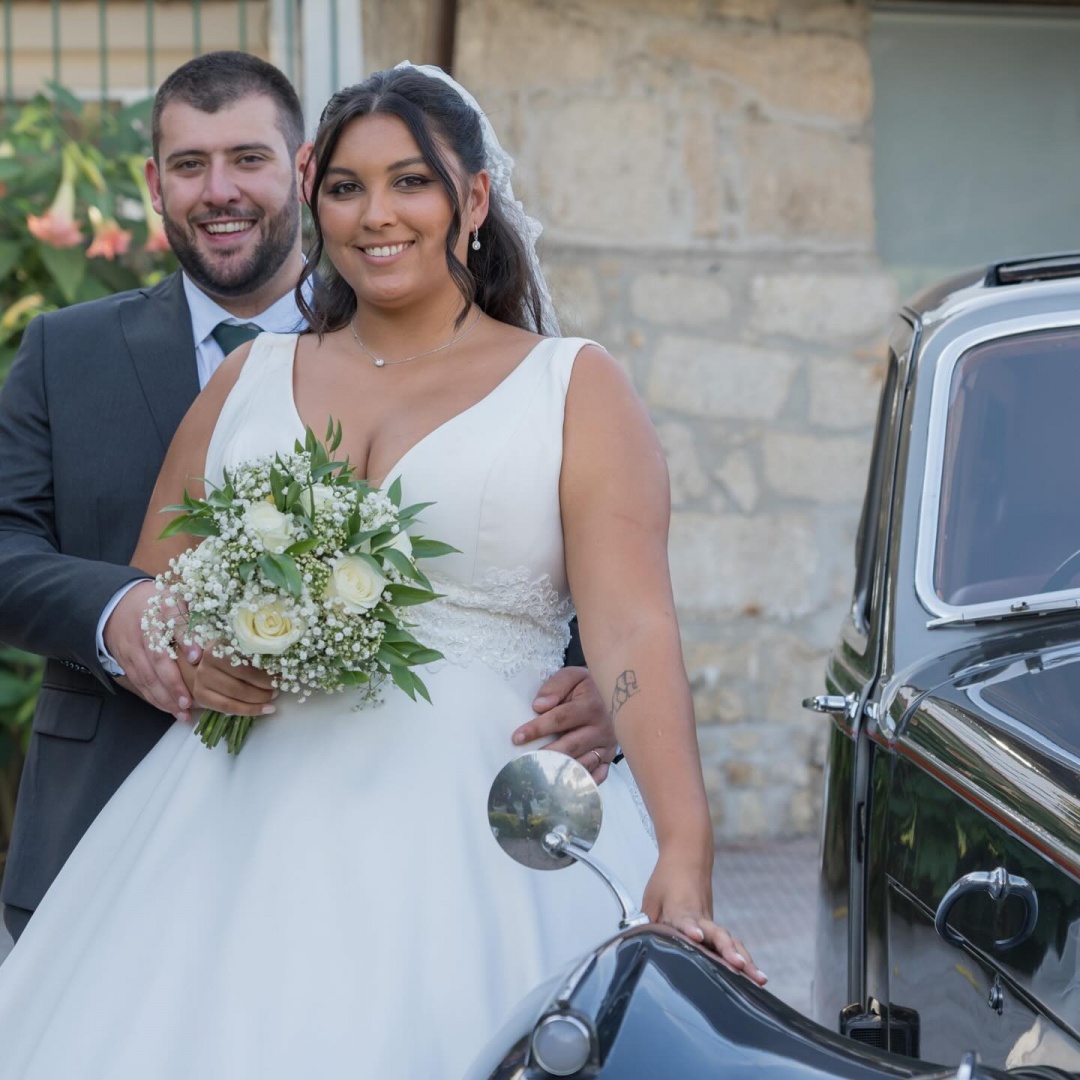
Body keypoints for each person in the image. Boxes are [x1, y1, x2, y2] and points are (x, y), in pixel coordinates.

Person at [0, 63, 764, 1076]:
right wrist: (208, 654)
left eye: (412, 182)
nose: (376, 214)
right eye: (349, 188)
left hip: (487, 840)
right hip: (224, 837)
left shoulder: (571, 385)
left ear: (475, 199)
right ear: (319, 199)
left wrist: (683, 853)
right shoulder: (250, 377)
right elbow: (161, 596)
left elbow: (633, 629)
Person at [0, 52, 614, 945]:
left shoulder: (469, 343)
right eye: (187, 165)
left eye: (247, 158)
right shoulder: (64, 350)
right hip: (122, 824)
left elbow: (554, 546)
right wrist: (125, 610)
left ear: (299, 169)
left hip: (430, 835)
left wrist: (600, 688)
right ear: (153, 183)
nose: (220, 191)